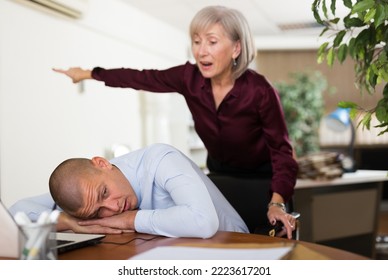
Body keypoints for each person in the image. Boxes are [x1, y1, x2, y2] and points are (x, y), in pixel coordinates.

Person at [53, 6, 298, 238]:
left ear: (236, 49)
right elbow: (142, 78)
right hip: (220, 176)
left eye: (212, 42)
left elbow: (282, 152)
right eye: (196, 41)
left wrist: (277, 202)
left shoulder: (260, 90)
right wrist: (89, 74)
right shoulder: (188, 77)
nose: (201, 51)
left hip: (264, 182)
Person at [10, 143, 248, 238]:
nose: (112, 208)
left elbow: (203, 222)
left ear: (102, 163)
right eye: (97, 213)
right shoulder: (87, 198)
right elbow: (16, 214)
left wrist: (130, 220)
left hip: (233, 246)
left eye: (104, 193)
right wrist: (70, 222)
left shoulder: (161, 159)